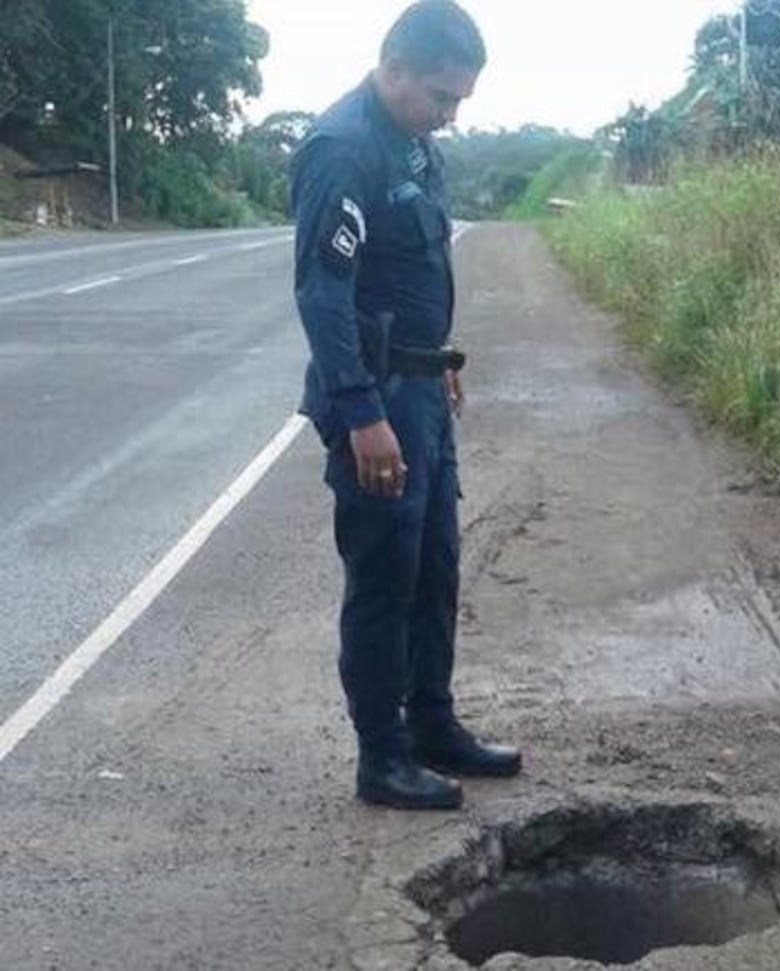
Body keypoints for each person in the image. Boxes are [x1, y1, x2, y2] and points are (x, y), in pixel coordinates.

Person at [290, 0, 520, 811]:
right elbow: (325, 294)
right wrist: (362, 413)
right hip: (376, 399)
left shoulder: (416, 145)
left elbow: (410, 271)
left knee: (434, 568)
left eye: (459, 101)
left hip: (418, 386)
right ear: (393, 69)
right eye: (440, 97)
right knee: (386, 575)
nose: (450, 116)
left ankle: (432, 724)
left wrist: (436, 361)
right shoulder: (343, 148)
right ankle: (381, 757)